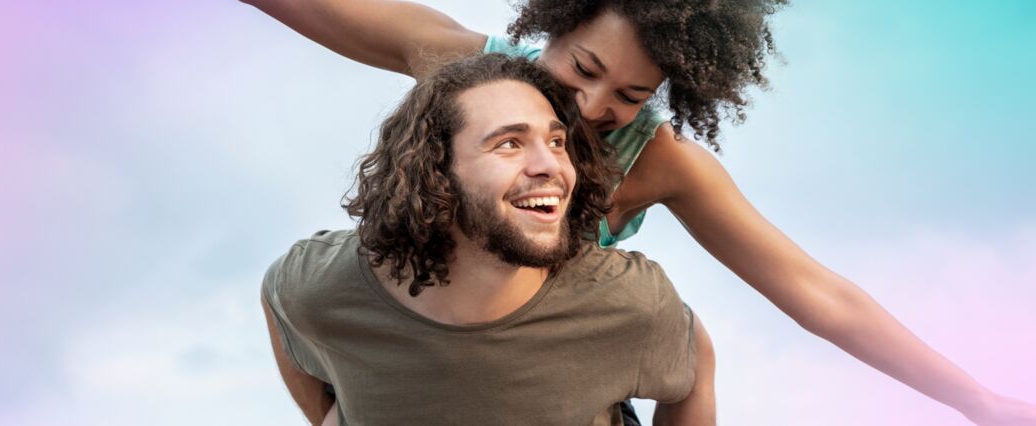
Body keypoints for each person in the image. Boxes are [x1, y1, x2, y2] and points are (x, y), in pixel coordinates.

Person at [241, 0, 1036, 424]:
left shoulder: (661, 164)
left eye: (628, 95)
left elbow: (818, 294)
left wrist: (975, 400)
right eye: (581, 68)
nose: (587, 108)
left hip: (554, 382)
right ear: (553, 23)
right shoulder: (466, 68)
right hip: (421, 346)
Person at [262, 54, 709, 426]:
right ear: (436, 172)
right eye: (509, 144)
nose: (551, 166)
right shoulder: (321, 284)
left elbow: (694, 358)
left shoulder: (627, 300)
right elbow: (278, 296)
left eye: (556, 141)